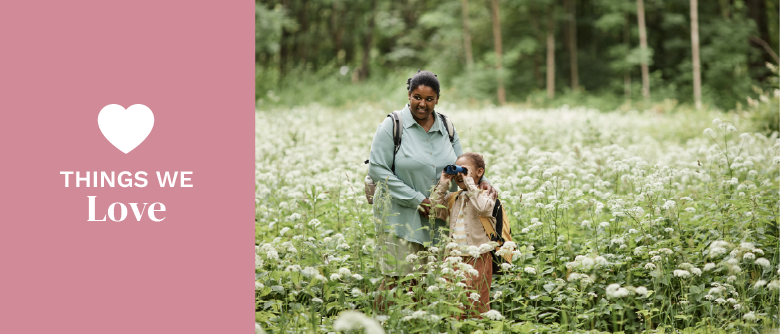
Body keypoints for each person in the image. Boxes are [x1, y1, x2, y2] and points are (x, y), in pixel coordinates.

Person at [368, 70, 496, 303]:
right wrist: (418, 200)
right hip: (399, 218)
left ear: (438, 99)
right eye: (417, 97)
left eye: (429, 99)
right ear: (409, 95)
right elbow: (377, 169)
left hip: (437, 218)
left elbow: (463, 164)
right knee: (396, 283)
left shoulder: (446, 126)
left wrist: (485, 181)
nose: (422, 104)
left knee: (430, 285)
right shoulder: (392, 125)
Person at [433, 152, 496, 317]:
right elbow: (434, 210)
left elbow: (484, 209)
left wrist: (470, 183)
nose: (459, 175)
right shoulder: (454, 197)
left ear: (479, 172)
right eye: (457, 171)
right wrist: (443, 183)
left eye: (465, 170)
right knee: (453, 300)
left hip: (479, 257)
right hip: (454, 257)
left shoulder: (486, 194)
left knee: (478, 302)